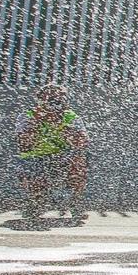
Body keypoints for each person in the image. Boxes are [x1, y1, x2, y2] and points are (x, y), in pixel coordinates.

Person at [16, 83, 90, 223]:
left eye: (59, 98)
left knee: (81, 160)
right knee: (35, 176)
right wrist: (36, 124)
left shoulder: (70, 117)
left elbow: (84, 143)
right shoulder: (28, 116)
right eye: (51, 98)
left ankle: (75, 201)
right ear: (41, 100)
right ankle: (36, 202)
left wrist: (67, 131)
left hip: (60, 159)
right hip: (33, 160)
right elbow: (23, 146)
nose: (55, 102)